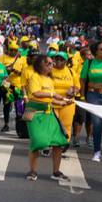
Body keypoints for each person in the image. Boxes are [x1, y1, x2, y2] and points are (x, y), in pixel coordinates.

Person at [24, 53, 71, 182]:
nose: (52, 65)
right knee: (37, 142)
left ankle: (56, 171)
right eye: (49, 63)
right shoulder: (35, 77)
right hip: (34, 112)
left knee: (58, 142)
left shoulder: (50, 80)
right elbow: (36, 93)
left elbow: (48, 100)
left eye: (52, 63)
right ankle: (32, 171)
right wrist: (54, 95)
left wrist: (62, 102)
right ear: (40, 65)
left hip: (48, 113)